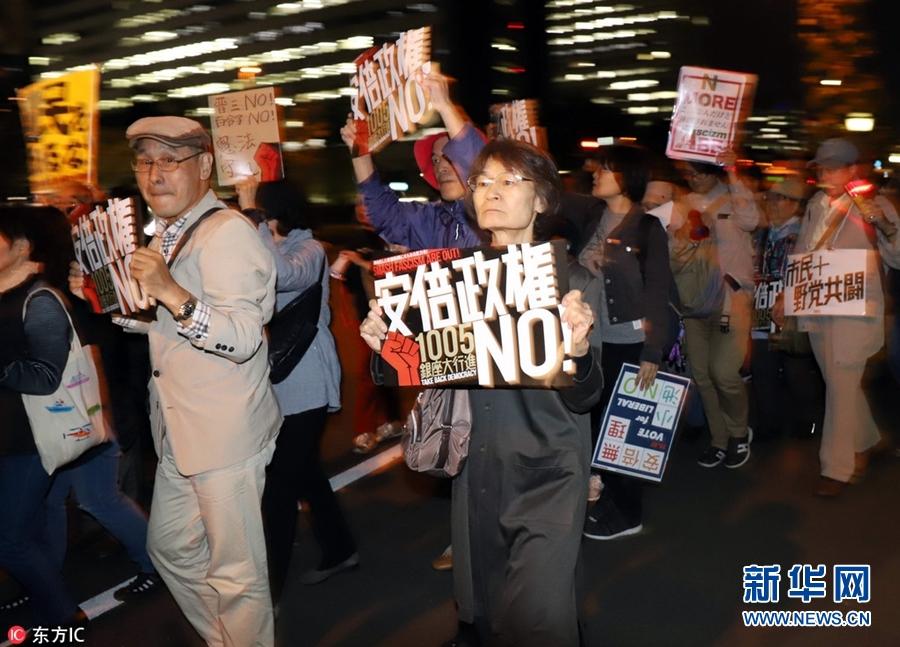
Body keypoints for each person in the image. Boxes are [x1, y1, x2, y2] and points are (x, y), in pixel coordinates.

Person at [361, 139, 602, 646]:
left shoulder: (572, 280)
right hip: (479, 470)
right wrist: (385, 346)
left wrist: (578, 349)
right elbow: (421, 366)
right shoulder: (455, 281)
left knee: (538, 615)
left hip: (550, 474)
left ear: (542, 200)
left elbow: (585, 397)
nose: (491, 192)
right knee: (489, 611)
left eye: (509, 181)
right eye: (483, 182)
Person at [70, 116, 281, 645]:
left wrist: (169, 290)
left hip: (225, 433)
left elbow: (243, 337)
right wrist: (105, 296)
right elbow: (164, 323)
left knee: (236, 574)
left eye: (170, 160)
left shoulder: (227, 233)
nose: (154, 174)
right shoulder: (169, 232)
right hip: (180, 430)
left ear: (204, 166)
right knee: (169, 548)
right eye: (145, 162)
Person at [235, 177, 357, 600]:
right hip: (282, 374)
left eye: (262, 210)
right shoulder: (273, 245)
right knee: (305, 473)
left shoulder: (310, 249)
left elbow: (281, 276)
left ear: (274, 212)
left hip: (307, 376)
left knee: (281, 483)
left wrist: (254, 222)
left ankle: (269, 588)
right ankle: (340, 549)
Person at [775, 138, 900, 496]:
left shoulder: (873, 204)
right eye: (822, 168)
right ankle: (869, 438)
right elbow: (804, 251)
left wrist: (884, 225)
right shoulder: (816, 204)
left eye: (833, 168)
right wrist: (787, 294)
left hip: (856, 308)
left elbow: (897, 255)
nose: (825, 174)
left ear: (852, 170)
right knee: (838, 383)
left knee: (842, 382)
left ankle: (837, 468)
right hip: (819, 304)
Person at [578, 145, 674, 541]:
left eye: (606, 169)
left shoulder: (647, 227)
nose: (596, 174)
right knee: (595, 423)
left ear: (627, 178)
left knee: (624, 430)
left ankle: (628, 513)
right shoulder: (589, 218)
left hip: (628, 341)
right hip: (589, 341)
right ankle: (607, 497)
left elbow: (658, 291)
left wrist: (652, 351)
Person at [0, 204, 84, 628]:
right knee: (24, 530)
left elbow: (46, 377)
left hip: (30, 440)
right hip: (7, 437)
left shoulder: (41, 300)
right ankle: (41, 594)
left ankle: (66, 620)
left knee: (9, 540)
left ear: (21, 247)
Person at [340, 71, 487, 249]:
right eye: (435, 161)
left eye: (449, 157)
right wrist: (359, 151)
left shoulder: (495, 212)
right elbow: (386, 215)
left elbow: (475, 164)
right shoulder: (435, 221)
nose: (441, 168)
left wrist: (445, 107)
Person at [680, 155, 760, 469]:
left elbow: (751, 221)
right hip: (695, 300)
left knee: (724, 373)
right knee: (701, 374)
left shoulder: (734, 198)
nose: (693, 179)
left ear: (713, 173)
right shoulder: (681, 203)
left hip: (730, 298)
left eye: (698, 173)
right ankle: (719, 439)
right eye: (688, 173)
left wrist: (733, 172)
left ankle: (739, 433)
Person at [749, 176, 824, 440]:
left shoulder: (805, 233)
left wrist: (789, 297)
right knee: (763, 369)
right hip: (762, 307)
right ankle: (769, 425)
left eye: (779, 199)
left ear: (794, 204)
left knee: (796, 369)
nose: (772, 204)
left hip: (793, 308)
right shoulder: (762, 232)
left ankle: (806, 423)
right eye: (770, 198)